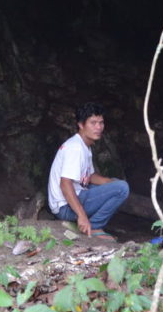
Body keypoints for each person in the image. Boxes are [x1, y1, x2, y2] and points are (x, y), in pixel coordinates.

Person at [47, 102, 129, 240]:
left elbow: (89, 176)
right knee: (122, 188)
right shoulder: (75, 148)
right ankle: (95, 226)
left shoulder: (84, 146)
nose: (98, 127)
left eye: (101, 123)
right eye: (93, 123)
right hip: (64, 207)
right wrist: (82, 216)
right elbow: (65, 184)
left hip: (74, 197)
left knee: (116, 184)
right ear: (81, 124)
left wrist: (110, 183)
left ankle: (93, 222)